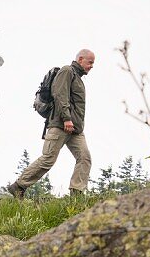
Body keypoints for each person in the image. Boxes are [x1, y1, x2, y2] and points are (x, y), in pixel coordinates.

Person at [7, 49, 95, 199]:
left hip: (76, 129)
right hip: (61, 125)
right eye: (90, 62)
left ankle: (77, 193)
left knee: (84, 157)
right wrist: (66, 118)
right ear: (80, 59)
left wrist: (75, 124)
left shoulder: (79, 78)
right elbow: (60, 95)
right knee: (48, 159)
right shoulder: (67, 71)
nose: (92, 66)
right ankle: (19, 186)